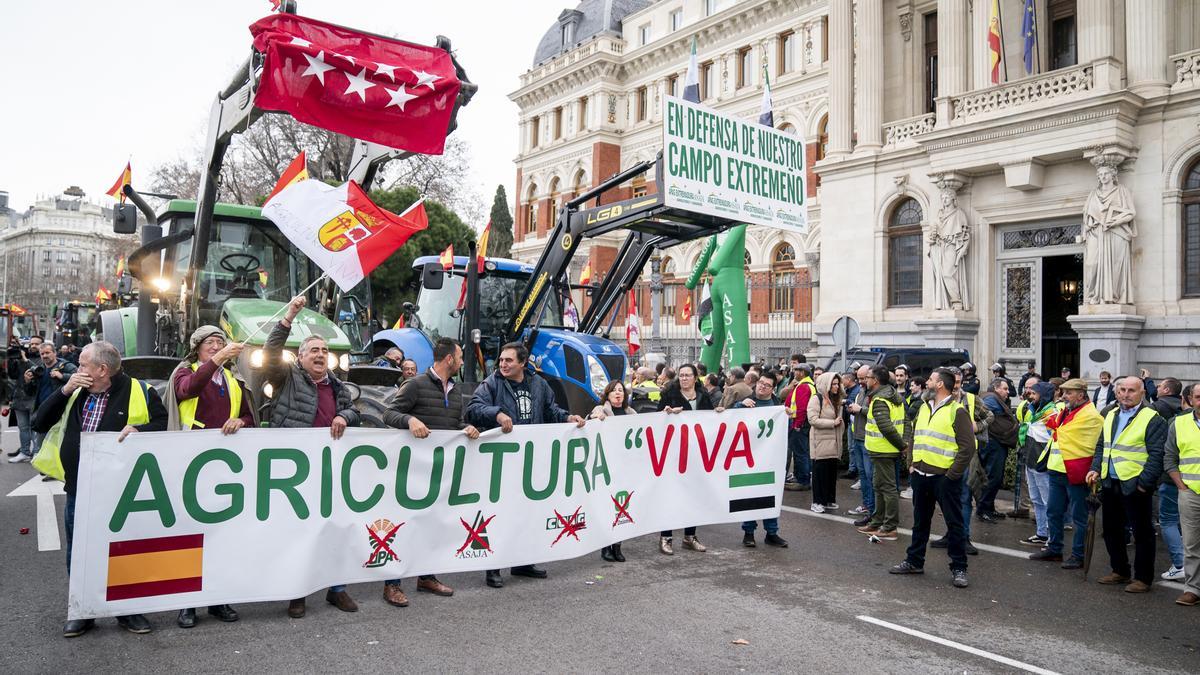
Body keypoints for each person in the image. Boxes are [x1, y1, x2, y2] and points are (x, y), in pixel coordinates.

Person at [33, 341, 168, 637]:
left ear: (102, 370)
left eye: (83, 364)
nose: (77, 369)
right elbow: (39, 422)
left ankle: (128, 611)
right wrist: (64, 390)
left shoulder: (140, 391)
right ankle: (83, 610)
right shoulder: (75, 391)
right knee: (79, 551)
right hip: (79, 488)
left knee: (124, 549)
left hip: (121, 491)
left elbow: (162, 424)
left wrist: (140, 430)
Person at [265, 295, 362, 618]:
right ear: (300, 357)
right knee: (299, 533)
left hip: (329, 469)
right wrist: (289, 316)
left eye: (324, 351)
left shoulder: (337, 386)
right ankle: (298, 592)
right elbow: (270, 354)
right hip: (296, 472)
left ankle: (337, 589)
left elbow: (352, 410)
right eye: (314, 351)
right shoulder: (286, 378)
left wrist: (344, 417)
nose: (321, 355)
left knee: (334, 528)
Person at [468, 342, 585, 587]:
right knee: (499, 514)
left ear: (522, 363)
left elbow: (550, 410)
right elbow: (473, 409)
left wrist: (567, 417)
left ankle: (523, 563)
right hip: (503, 461)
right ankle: (493, 567)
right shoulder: (492, 383)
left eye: (509, 361)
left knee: (528, 513)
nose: (503, 364)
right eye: (501, 360)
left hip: (531, 460)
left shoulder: (539, 384)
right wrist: (497, 414)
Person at [163, 326, 250, 629]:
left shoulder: (233, 380)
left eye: (220, 343)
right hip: (191, 463)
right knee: (191, 533)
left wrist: (242, 420)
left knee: (222, 534)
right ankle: (187, 602)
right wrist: (219, 359)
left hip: (224, 466)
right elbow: (188, 391)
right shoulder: (184, 372)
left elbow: (250, 416)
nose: (216, 347)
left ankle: (217, 598)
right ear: (197, 348)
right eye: (210, 343)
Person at [380, 337, 476, 606]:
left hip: (439, 471)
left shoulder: (455, 391)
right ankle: (392, 584)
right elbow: (389, 414)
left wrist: (465, 429)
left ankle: (426, 577)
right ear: (448, 359)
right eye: (459, 357)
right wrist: (410, 420)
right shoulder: (415, 385)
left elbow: (455, 423)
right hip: (410, 470)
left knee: (432, 524)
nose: (460, 361)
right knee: (403, 525)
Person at [889, 368, 976, 588]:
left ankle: (959, 567)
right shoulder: (925, 408)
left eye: (930, 379)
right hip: (921, 475)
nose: (926, 382)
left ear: (939, 385)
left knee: (954, 524)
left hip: (944, 478)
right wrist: (912, 465)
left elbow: (967, 448)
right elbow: (916, 437)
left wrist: (951, 476)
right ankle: (914, 561)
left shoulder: (957, 411)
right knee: (920, 522)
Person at [1086, 376, 1167, 593]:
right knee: (1111, 530)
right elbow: (1102, 446)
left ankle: (1143, 578)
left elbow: (1157, 455)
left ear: (1142, 393)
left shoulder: (1153, 418)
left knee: (1142, 533)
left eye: (1131, 390)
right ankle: (1120, 570)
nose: (1125, 394)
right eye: (1121, 390)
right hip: (1110, 482)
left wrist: (1144, 484)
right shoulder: (1111, 414)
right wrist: (1095, 468)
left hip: (1135, 485)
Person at [1028, 379, 1104, 569]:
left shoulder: (1091, 415)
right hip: (1057, 469)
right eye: (1063, 392)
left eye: (1069, 393)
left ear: (1081, 394)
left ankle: (1078, 555)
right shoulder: (1065, 411)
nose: (1064, 396)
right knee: (1053, 511)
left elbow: (1088, 442)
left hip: (1077, 471)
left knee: (1079, 516)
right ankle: (1055, 549)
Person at [658, 363, 718, 553]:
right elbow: (656, 419)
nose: (684, 378)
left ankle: (689, 536)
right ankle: (666, 537)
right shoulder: (670, 395)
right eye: (681, 375)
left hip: (695, 454)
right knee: (670, 496)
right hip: (674, 454)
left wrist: (718, 414)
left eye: (687, 375)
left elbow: (709, 421)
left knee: (693, 496)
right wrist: (666, 413)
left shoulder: (703, 396)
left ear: (695, 377)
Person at [733, 370, 787, 548]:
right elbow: (729, 420)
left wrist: (788, 415)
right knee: (750, 496)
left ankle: (772, 533)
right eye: (761, 383)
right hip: (749, 460)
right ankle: (748, 533)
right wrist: (739, 405)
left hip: (770, 460)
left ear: (773, 389)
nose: (762, 387)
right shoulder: (747, 402)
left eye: (767, 385)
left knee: (771, 495)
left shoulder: (776, 405)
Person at [857, 365, 905, 540]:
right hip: (881, 450)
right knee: (878, 486)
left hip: (884, 450)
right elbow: (905, 421)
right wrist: (903, 444)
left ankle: (890, 527)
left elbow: (886, 428)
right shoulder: (891, 395)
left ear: (875, 380)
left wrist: (902, 445)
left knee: (888, 488)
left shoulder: (880, 400)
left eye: (868, 377)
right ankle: (878, 522)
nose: (865, 380)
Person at [590, 380, 635, 563]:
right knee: (607, 507)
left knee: (622, 508)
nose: (618, 394)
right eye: (614, 391)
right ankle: (605, 546)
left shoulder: (631, 413)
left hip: (625, 468)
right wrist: (597, 414)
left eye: (621, 391)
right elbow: (592, 417)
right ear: (607, 394)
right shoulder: (601, 410)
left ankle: (617, 545)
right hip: (607, 467)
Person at [1164, 383, 1200, 606]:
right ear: (1191, 398)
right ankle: (1193, 588)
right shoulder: (1179, 422)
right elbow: (1170, 457)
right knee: (1191, 543)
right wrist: (1180, 485)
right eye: (1198, 396)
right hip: (1190, 493)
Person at [1152, 380, 1187, 582]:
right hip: (1182, 482)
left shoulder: (1174, 420)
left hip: (1174, 481)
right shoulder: (1177, 418)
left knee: (1168, 520)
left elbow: (1168, 455)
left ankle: (1180, 564)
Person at [1017, 380, 1058, 547]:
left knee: (1047, 501)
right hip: (1030, 460)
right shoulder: (1034, 410)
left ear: (1045, 395)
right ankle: (1041, 533)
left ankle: (1051, 536)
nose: (1030, 396)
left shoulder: (1051, 413)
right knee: (1036, 499)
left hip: (1041, 464)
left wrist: (1047, 460)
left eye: (1034, 393)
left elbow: (1055, 439)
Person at [23, 343, 77, 461]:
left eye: (47, 352)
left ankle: (58, 469)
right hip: (43, 410)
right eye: (42, 354)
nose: (45, 356)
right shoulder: (39, 369)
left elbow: (78, 378)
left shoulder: (65, 366)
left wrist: (61, 376)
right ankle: (47, 467)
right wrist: (27, 381)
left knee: (59, 442)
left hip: (61, 410)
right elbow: (30, 392)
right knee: (43, 442)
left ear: (54, 353)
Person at [978, 378, 1016, 521]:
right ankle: (983, 509)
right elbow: (983, 414)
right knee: (993, 477)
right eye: (1005, 389)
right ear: (996, 388)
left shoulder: (994, 398)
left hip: (996, 443)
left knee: (994, 476)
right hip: (993, 444)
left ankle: (989, 508)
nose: (1008, 392)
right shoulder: (990, 399)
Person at [808, 371, 844, 513]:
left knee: (830, 473)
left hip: (833, 442)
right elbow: (813, 420)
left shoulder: (836, 399)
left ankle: (828, 500)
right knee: (819, 474)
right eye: (833, 384)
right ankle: (817, 501)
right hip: (821, 442)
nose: (836, 386)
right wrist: (832, 422)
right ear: (825, 385)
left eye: (837, 383)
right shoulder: (816, 399)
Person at [783, 363, 816, 492]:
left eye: (796, 370)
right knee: (803, 452)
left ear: (802, 372)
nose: (794, 372)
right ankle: (801, 478)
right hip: (803, 423)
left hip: (799, 424)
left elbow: (802, 408)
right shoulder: (808, 385)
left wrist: (797, 425)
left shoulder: (803, 387)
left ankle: (802, 480)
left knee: (800, 453)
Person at [3, 339, 37, 462]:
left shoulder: (43, 357)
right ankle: (24, 452)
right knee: (23, 428)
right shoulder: (20, 357)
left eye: (36, 344)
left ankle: (36, 453)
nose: (33, 346)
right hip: (19, 398)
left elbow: (39, 371)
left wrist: (25, 360)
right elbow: (12, 375)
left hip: (35, 399)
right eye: (32, 344)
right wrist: (11, 360)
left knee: (35, 428)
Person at [846, 366, 873, 521]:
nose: (861, 381)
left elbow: (877, 413)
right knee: (863, 474)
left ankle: (871, 508)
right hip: (858, 436)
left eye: (864, 378)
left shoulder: (876, 394)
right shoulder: (862, 392)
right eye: (859, 378)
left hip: (867, 439)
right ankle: (866, 504)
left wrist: (860, 409)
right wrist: (852, 409)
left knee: (869, 475)